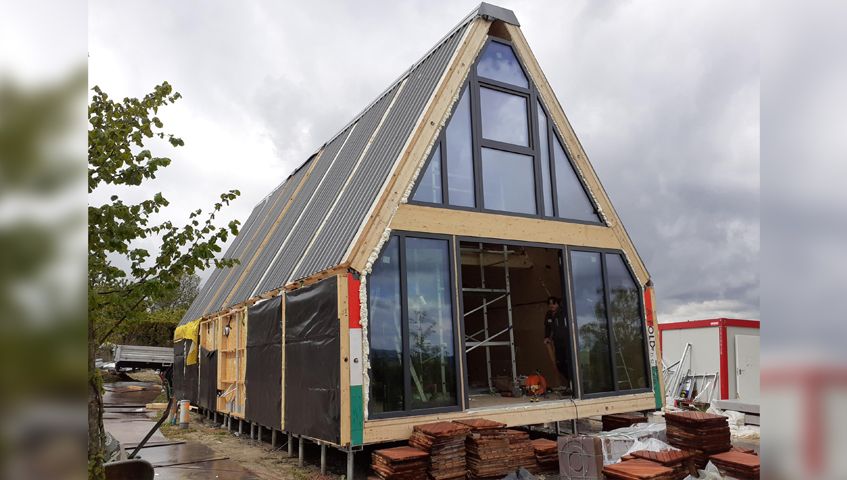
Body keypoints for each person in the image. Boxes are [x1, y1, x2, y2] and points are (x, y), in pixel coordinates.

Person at [543, 296, 572, 392]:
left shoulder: (563, 312)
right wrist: (547, 337)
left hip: (567, 341)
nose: (551, 306)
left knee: (569, 362)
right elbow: (547, 327)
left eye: (554, 303)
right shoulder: (548, 315)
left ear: (558, 304)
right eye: (550, 304)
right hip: (557, 342)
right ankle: (571, 380)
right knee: (559, 364)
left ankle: (573, 383)